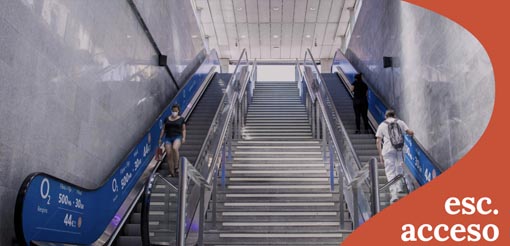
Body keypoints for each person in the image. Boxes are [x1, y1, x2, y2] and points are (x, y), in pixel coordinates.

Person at [375, 109, 414, 204]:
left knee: (390, 172)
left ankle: (394, 194)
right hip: (400, 149)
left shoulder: (382, 125)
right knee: (399, 168)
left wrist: (380, 154)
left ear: (386, 116)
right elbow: (410, 132)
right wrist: (412, 134)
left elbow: (378, 141)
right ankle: (400, 187)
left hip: (388, 150)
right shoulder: (400, 122)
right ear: (395, 115)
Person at [159, 104, 186, 177]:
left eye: (176, 111)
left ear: (178, 111)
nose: (174, 112)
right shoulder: (167, 119)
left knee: (175, 148)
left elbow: (183, 129)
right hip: (168, 137)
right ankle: (171, 172)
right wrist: (160, 138)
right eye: (173, 110)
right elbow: (163, 129)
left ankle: (176, 166)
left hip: (177, 136)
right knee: (169, 153)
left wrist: (183, 138)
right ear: (171, 111)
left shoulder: (181, 119)